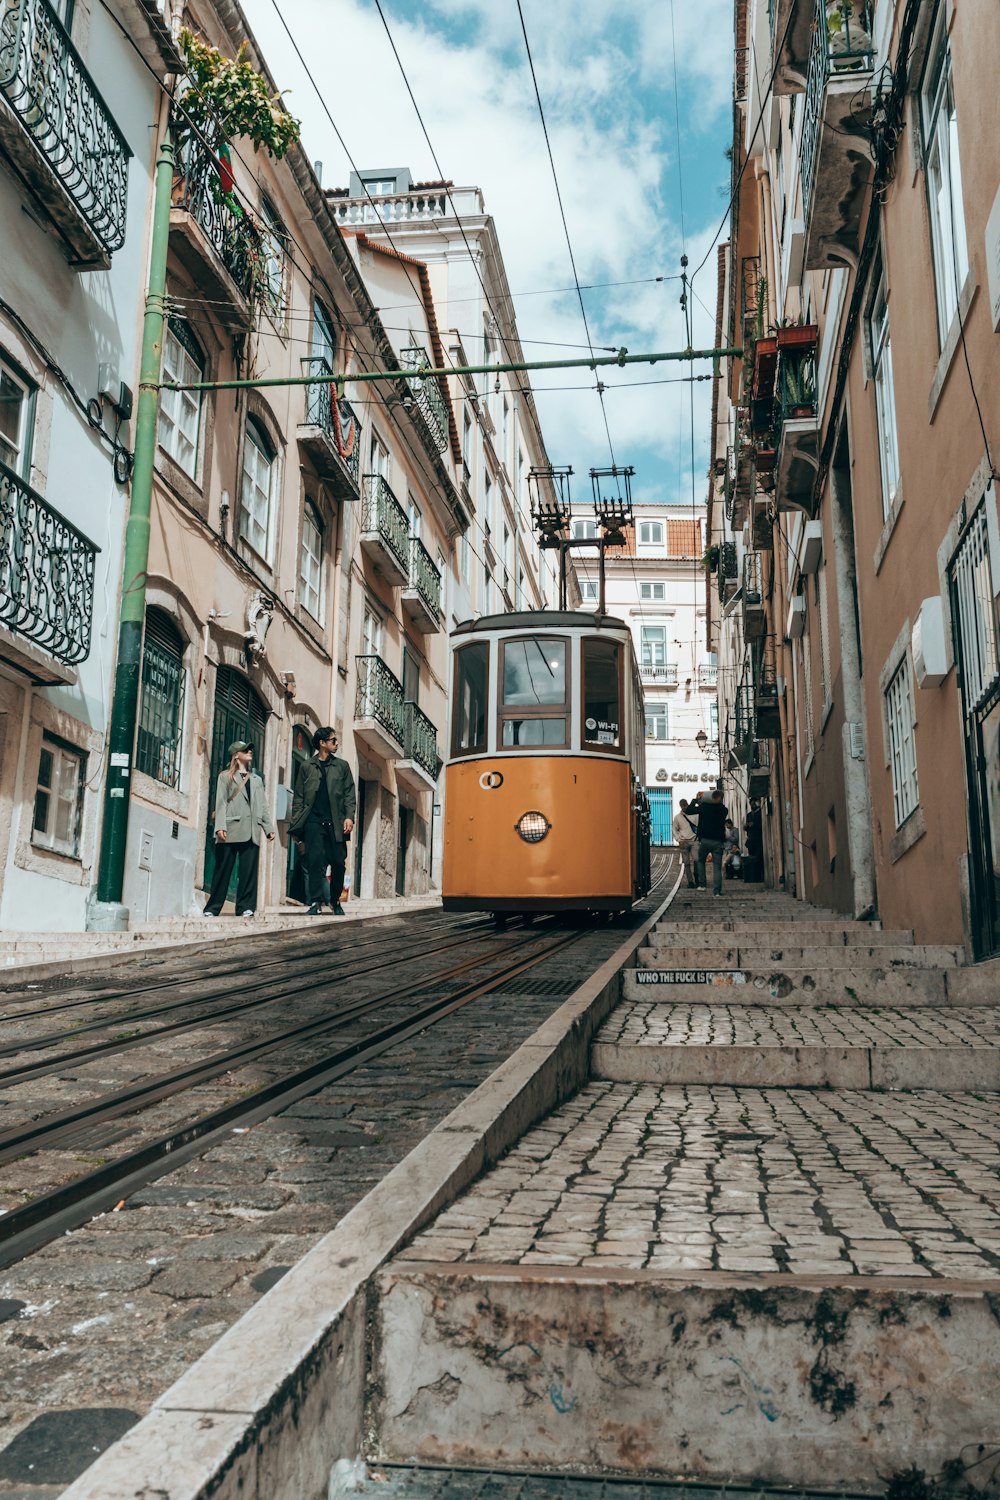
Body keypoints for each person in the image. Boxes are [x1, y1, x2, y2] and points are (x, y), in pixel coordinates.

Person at [289, 726, 356, 916]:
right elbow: (299, 798)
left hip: (336, 822)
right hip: (313, 822)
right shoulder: (307, 766)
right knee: (315, 862)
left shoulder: (342, 767)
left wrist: (349, 816)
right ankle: (316, 902)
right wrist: (297, 827)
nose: (336, 744)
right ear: (322, 743)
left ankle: (335, 901)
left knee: (338, 862)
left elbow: (350, 794)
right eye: (333, 740)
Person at [204, 741, 275, 917]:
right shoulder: (225, 776)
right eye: (245, 750)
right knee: (222, 871)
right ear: (236, 755)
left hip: (252, 830)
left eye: (250, 749)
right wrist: (220, 826)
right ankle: (212, 908)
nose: (250, 751)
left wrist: (268, 827)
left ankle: (245, 907)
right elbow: (220, 802)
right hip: (230, 827)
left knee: (248, 873)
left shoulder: (257, 780)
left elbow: (262, 805)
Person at [690, 787, 729, 896]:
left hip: (705, 840)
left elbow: (689, 810)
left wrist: (696, 800)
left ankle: (702, 885)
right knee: (717, 867)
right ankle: (716, 891)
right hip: (718, 842)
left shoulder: (704, 808)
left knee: (701, 861)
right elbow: (720, 807)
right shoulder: (724, 810)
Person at [672, 797, 699, 888]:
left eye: (685, 805)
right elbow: (674, 830)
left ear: (687, 804)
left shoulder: (695, 815)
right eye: (682, 806)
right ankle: (690, 881)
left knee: (696, 860)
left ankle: (697, 877)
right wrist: (679, 840)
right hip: (684, 841)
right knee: (686, 863)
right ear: (680, 806)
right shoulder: (677, 817)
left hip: (694, 840)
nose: (683, 807)